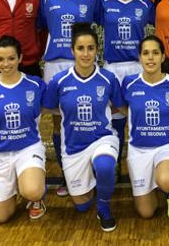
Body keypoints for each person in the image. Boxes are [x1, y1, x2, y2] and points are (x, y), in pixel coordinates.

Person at [42, 23, 124, 232]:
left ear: (97, 50)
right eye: (80, 48)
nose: (86, 53)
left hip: (102, 138)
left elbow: (121, 107)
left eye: (90, 48)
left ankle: (104, 207)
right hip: (73, 146)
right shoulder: (59, 81)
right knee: (81, 205)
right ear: (72, 50)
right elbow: (48, 108)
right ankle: (95, 182)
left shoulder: (108, 78)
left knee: (105, 166)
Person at [38, 0, 101, 197]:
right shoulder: (47, 0)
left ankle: (92, 170)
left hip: (85, 64)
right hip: (56, 66)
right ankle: (67, 173)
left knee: (88, 116)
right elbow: (42, 27)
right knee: (59, 121)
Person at [0, 36, 47, 223]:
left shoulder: (36, 85)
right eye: (1, 59)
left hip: (28, 149)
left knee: (32, 190)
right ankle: (12, 190)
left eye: (11, 58)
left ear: (20, 58)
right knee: (1, 217)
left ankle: (35, 198)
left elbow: (55, 106)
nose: (6, 64)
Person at [94, 0, 155, 179]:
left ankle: (143, 165)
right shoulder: (104, 2)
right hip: (112, 68)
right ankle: (116, 164)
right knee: (115, 119)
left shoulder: (145, 4)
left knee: (139, 116)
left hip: (138, 68)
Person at [119, 35, 169, 221]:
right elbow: (123, 108)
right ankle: (155, 188)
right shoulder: (129, 83)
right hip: (139, 149)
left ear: (163, 57)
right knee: (146, 212)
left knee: (166, 180)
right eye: (146, 53)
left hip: (167, 145)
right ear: (139, 57)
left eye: (155, 53)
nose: (150, 58)